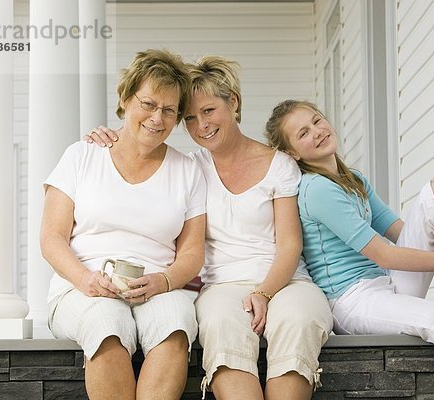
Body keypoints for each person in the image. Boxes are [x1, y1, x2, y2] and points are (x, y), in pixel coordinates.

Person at [86, 56, 333, 400]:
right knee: (220, 326)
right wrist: (110, 134)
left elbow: (290, 245)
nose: (201, 125)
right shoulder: (190, 169)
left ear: (233, 102)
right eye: (189, 118)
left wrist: (263, 293)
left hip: (287, 280)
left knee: (299, 321)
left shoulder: (280, 165)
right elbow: (138, 148)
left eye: (208, 111)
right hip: (222, 286)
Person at [263, 99, 434, 400]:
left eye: (316, 120)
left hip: (385, 283)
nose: (317, 131)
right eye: (303, 133)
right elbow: (384, 254)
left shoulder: (352, 179)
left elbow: (402, 232)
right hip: (352, 300)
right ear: (292, 153)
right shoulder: (317, 189)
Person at [41, 48, 207, 400]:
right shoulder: (82, 155)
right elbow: (52, 238)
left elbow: (192, 252)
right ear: (126, 98)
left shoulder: (188, 170)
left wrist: (163, 281)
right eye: (148, 104)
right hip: (81, 287)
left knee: (176, 325)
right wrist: (86, 280)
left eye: (168, 110)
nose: (156, 118)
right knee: (107, 324)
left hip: (158, 286)